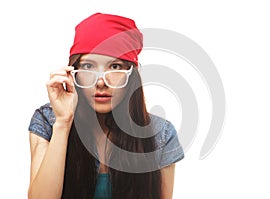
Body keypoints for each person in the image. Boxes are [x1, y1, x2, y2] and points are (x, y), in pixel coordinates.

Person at [27, 12, 184, 199]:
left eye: (115, 67)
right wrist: (62, 123)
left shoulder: (160, 135)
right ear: (72, 73)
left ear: (131, 74)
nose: (101, 82)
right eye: (88, 66)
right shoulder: (48, 120)